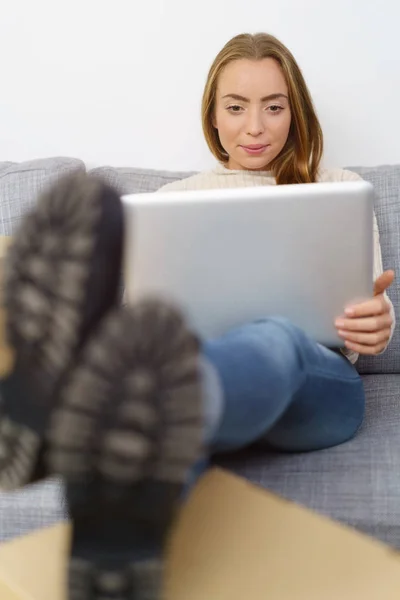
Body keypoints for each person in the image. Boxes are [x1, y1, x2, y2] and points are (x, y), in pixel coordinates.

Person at [0, 32, 395, 600]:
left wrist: (376, 322)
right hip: (201, 377)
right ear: (212, 116)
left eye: (274, 107)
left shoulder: (338, 189)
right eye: (236, 108)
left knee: (274, 338)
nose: (255, 127)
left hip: (319, 387)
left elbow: (366, 317)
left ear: (296, 112)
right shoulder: (172, 200)